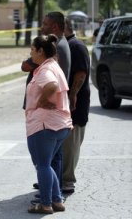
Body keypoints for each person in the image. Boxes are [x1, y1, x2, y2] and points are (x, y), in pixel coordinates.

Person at [25, 34, 73, 214]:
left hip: (45, 125)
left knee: (43, 165)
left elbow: (51, 86)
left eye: (32, 49)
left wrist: (42, 101)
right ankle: (57, 200)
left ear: (40, 51)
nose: (30, 52)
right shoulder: (54, 65)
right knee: (48, 164)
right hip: (60, 125)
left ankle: (45, 204)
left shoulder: (45, 70)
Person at [62, 18, 90, 194]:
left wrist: (72, 95)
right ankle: (56, 176)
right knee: (61, 143)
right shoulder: (63, 45)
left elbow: (80, 74)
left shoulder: (76, 46)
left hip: (75, 105)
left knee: (71, 143)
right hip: (62, 105)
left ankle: (67, 179)